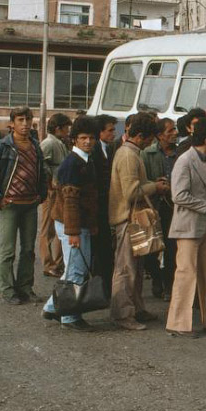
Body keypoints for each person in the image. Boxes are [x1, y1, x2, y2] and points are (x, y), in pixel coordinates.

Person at [0, 106, 48, 305]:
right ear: (12, 123)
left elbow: (42, 173)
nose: (25, 124)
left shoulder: (35, 146)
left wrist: (41, 195)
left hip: (30, 205)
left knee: (28, 249)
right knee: (8, 250)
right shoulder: (2, 146)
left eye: (27, 119)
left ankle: (25, 287)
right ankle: (8, 290)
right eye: (20, 120)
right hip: (10, 205)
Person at [109, 113, 170, 331]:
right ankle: (122, 314)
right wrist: (156, 187)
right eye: (151, 137)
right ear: (142, 136)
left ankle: (136, 308)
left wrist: (152, 183)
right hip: (127, 218)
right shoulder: (128, 156)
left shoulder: (132, 153)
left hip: (133, 218)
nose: (153, 142)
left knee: (136, 266)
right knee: (126, 269)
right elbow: (131, 192)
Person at [166, 117, 206, 338]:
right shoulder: (185, 160)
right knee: (186, 274)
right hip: (189, 226)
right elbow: (178, 195)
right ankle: (179, 323)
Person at [41, 115, 100, 331]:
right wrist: (73, 232)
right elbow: (70, 202)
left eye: (91, 137)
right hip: (71, 224)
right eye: (83, 137)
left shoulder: (85, 160)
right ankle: (69, 317)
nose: (88, 141)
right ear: (74, 139)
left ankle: (52, 307)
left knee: (73, 269)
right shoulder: (72, 164)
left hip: (76, 224)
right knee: (76, 270)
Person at [142, 117, 179, 300]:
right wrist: (154, 185)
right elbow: (142, 181)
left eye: (175, 129)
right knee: (151, 248)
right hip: (153, 206)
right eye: (170, 130)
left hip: (174, 207)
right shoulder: (147, 154)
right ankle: (156, 278)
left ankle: (168, 285)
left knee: (172, 248)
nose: (175, 133)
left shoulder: (180, 153)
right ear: (159, 135)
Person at [39, 113, 72, 278]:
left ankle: (58, 263)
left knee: (59, 227)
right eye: (66, 127)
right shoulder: (49, 143)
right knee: (48, 229)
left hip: (60, 190)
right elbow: (40, 163)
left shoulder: (60, 143)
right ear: (58, 128)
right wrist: (48, 184)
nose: (68, 131)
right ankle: (48, 263)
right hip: (51, 192)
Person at [91, 115, 117, 294]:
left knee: (105, 250)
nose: (113, 133)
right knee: (100, 251)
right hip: (98, 207)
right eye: (110, 130)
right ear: (100, 132)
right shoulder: (94, 150)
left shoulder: (109, 148)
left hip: (105, 206)